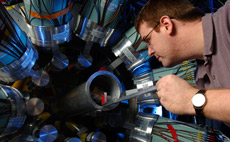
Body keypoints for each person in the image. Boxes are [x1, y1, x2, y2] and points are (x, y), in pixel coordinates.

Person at [134, 0, 230, 127]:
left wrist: (191, 99)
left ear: (166, 25)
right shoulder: (202, 80)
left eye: (149, 40)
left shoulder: (227, 19)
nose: (150, 52)